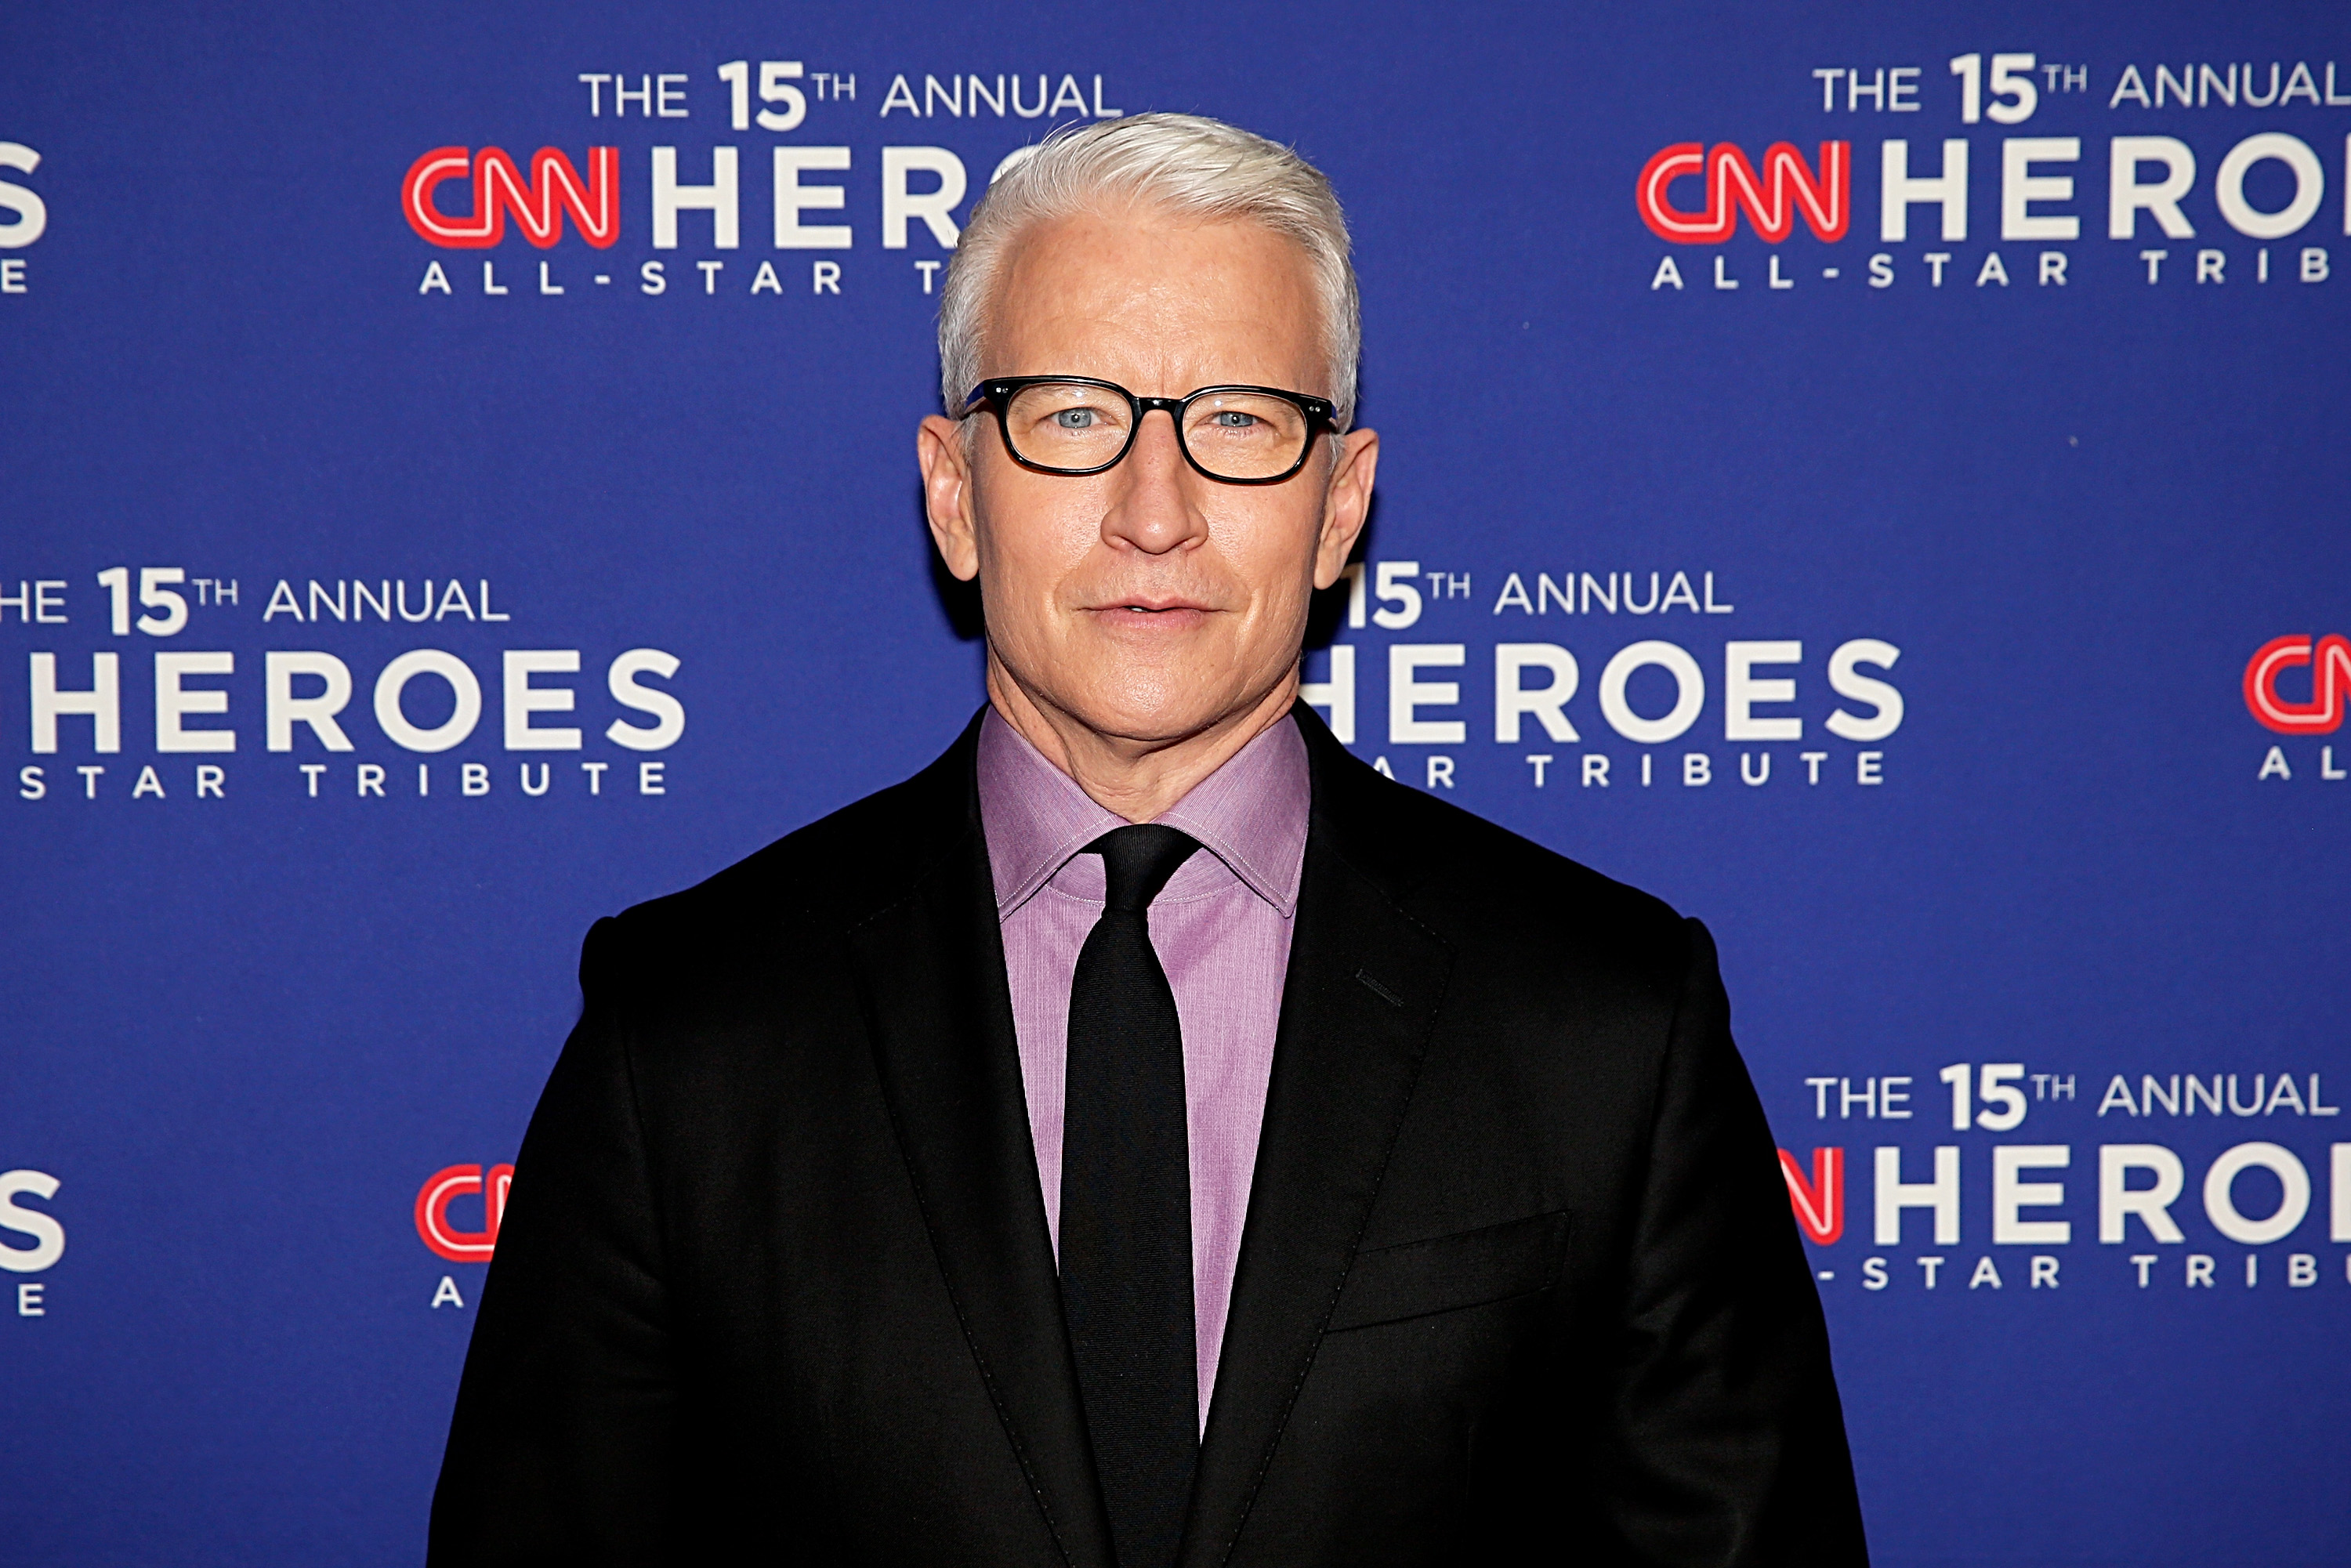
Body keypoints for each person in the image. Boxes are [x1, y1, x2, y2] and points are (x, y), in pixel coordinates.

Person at [429, 113, 1867, 1567]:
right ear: (954, 491)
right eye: (1072, 415)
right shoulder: (685, 1033)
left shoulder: (1608, 1023)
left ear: (1340, 506)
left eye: (1238, 419)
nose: (1155, 511)